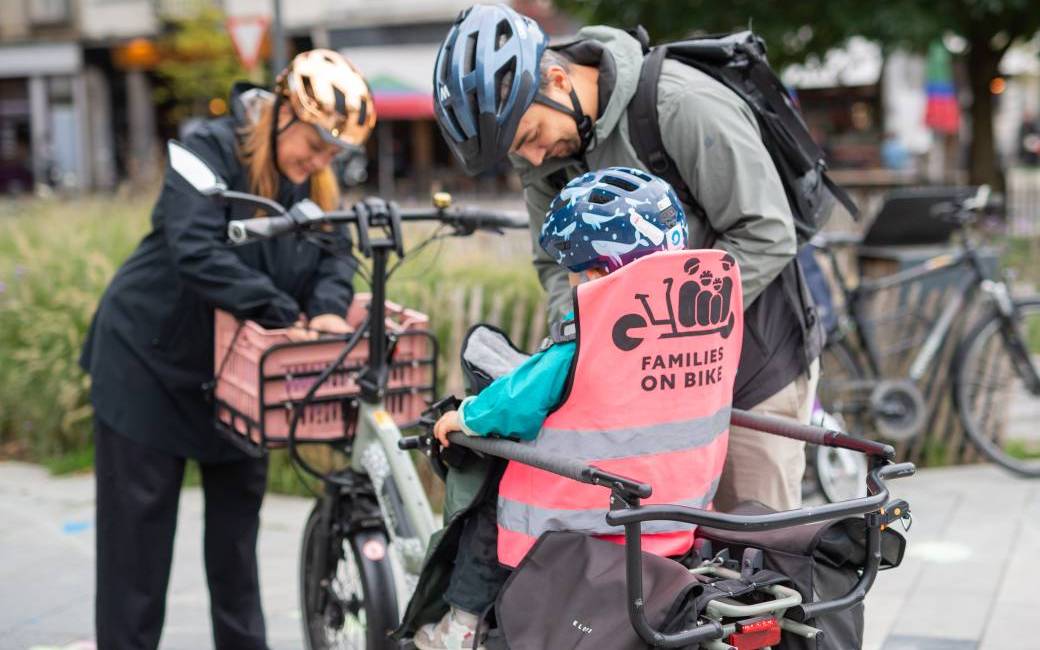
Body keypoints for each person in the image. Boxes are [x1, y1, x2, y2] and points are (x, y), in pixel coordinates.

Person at [432, 3, 821, 513]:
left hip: (756, 363)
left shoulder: (680, 105)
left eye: (528, 137)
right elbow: (554, 264)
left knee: (764, 555)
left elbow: (765, 232)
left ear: (555, 79)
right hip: (650, 384)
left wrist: (653, 318)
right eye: (515, 152)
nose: (529, 159)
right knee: (668, 562)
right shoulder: (548, 159)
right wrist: (580, 339)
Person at [79, 49, 375, 650]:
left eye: (332, 155)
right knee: (135, 562)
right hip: (148, 364)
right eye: (315, 146)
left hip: (240, 383)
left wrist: (323, 309)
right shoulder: (207, 149)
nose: (320, 163)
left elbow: (335, 256)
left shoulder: (311, 182)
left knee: (237, 554)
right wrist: (282, 311)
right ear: (283, 112)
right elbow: (194, 247)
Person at [413, 167, 741, 649]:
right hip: (677, 517)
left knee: (487, 507)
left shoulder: (584, 343)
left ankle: (460, 625)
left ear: (596, 272)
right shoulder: (700, 327)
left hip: (581, 523)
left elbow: (515, 403)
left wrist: (461, 417)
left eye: (573, 269)